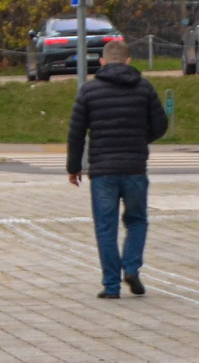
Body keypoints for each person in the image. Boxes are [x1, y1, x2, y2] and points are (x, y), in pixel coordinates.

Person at [65, 37, 170, 298]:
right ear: (128, 61)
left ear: (101, 62)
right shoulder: (144, 88)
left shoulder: (89, 91)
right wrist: (139, 139)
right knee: (137, 220)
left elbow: (76, 133)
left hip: (102, 170)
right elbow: (161, 126)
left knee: (106, 226)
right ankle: (132, 267)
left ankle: (111, 285)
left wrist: (74, 167)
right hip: (135, 168)